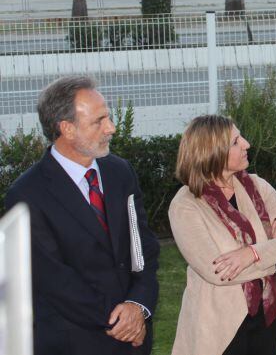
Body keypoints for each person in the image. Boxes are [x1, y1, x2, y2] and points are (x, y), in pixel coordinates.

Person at [5, 75, 160, 355]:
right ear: (67, 129)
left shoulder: (120, 172)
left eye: (108, 117)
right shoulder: (27, 195)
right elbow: (54, 279)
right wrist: (120, 321)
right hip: (74, 342)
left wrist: (138, 307)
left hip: (134, 338)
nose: (111, 128)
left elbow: (143, 249)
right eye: (98, 121)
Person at [169, 115, 276, 355]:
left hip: (267, 315)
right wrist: (273, 256)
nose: (246, 144)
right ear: (213, 152)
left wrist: (251, 253)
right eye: (235, 141)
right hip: (218, 326)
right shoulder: (186, 204)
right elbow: (217, 272)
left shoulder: (257, 186)